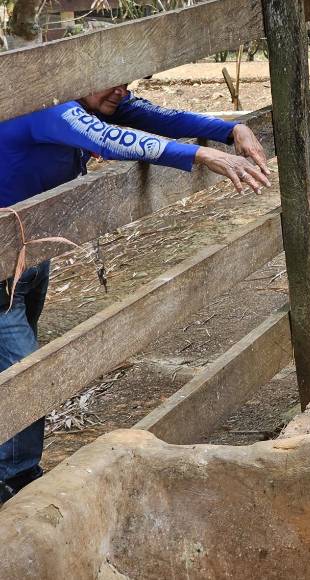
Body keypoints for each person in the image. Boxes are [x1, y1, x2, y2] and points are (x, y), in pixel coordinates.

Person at [0, 83, 272, 502]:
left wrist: (228, 130)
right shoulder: (47, 107)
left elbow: (161, 118)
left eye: (127, 80)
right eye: (110, 81)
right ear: (75, 76)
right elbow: (108, 139)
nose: (121, 91)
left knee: (11, 366)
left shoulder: (100, 102)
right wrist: (203, 154)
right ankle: (15, 484)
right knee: (25, 371)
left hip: (29, 256)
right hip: (4, 262)